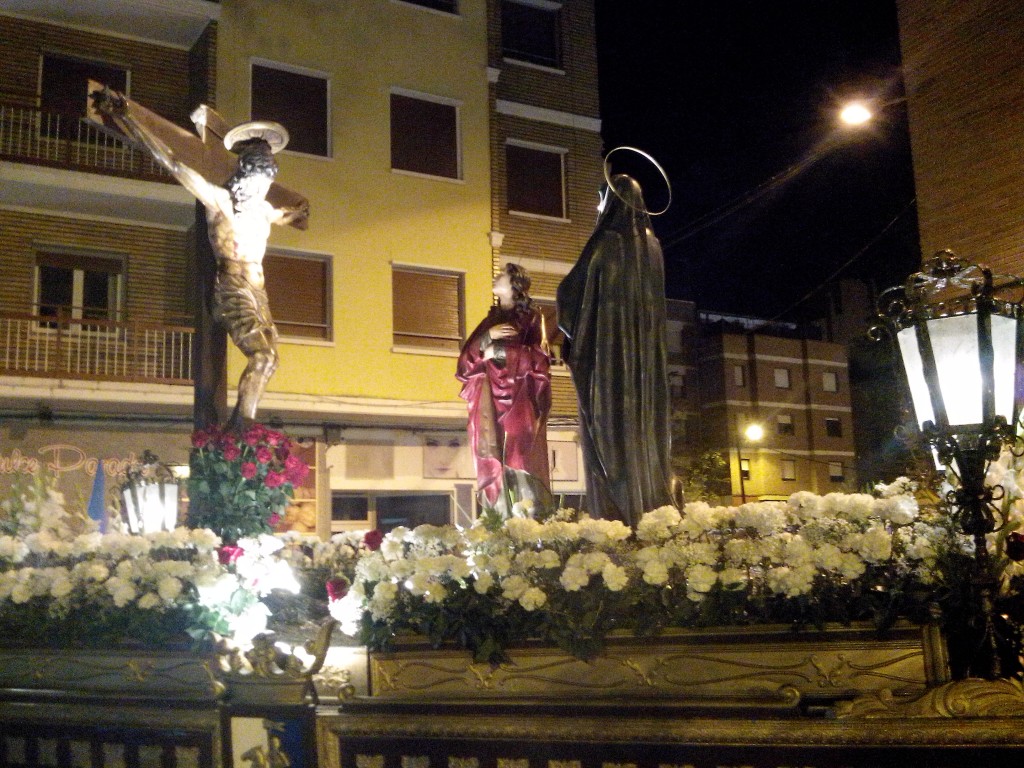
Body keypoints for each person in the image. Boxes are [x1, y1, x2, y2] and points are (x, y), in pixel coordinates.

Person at [91, 88, 308, 430]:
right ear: (244, 175)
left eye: (268, 180)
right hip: (231, 287)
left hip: (257, 292)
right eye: (258, 178)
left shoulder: (264, 210)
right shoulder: (219, 200)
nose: (263, 187)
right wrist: (128, 116)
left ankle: (240, 430)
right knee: (263, 356)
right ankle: (243, 432)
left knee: (270, 362)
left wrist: (297, 207)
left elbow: (297, 214)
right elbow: (173, 162)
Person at [556, 174, 675, 527]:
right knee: (643, 433)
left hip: (607, 361)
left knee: (607, 434)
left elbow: (570, 295)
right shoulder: (653, 247)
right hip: (645, 369)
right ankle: (650, 506)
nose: (598, 207)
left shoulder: (605, 241)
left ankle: (616, 515)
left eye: (601, 199)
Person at [457, 263, 552, 513]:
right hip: (490, 400)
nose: (495, 276)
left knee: (520, 457)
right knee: (493, 456)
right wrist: (488, 337)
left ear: (515, 284)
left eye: (501, 275)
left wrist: (498, 350)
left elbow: (540, 360)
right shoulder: (491, 321)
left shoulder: (532, 318)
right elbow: (465, 360)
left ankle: (529, 521)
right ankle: (498, 518)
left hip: (520, 398)